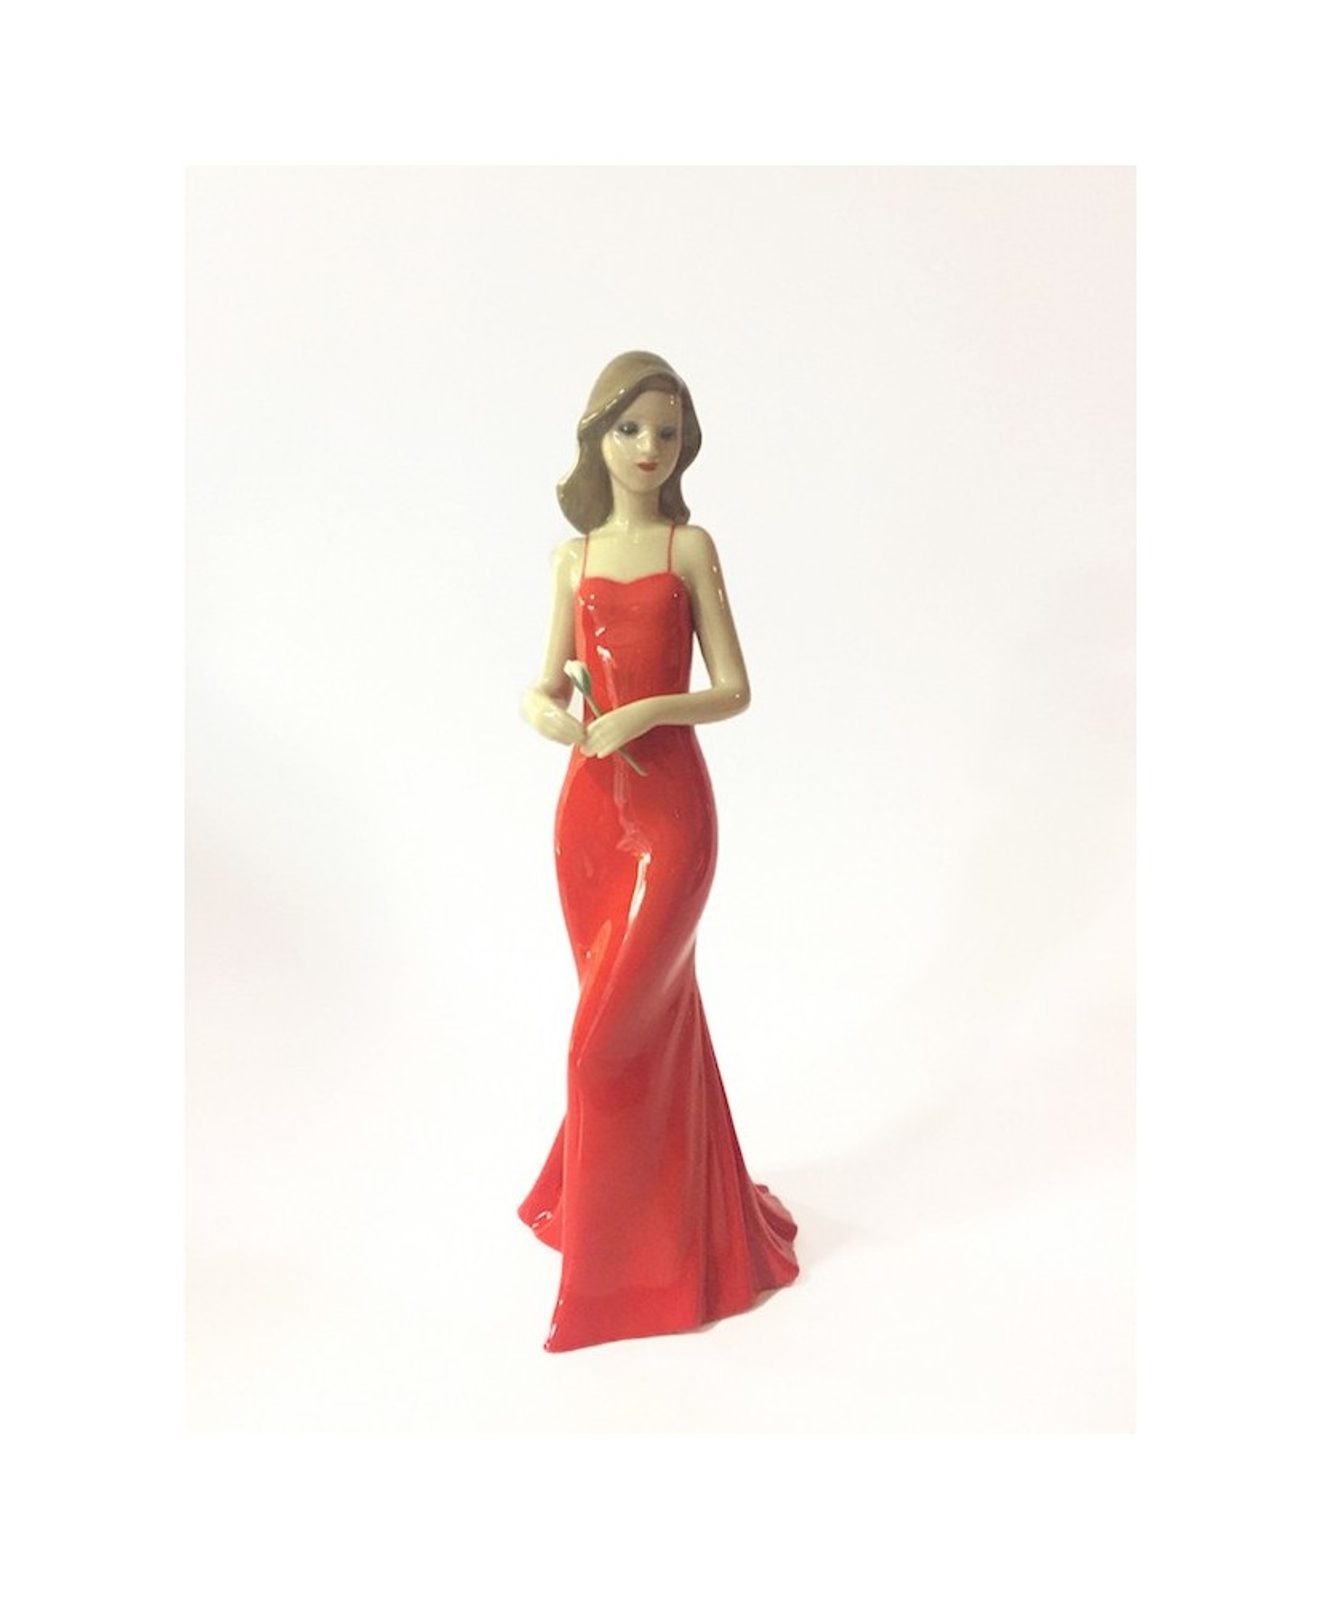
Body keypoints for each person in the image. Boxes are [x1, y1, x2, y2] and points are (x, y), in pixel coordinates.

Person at [518, 350, 800, 1352]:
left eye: (667, 432)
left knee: (600, 1043)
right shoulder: (574, 557)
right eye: (630, 428)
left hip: (671, 817)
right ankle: (661, 1225)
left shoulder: (689, 549)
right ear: (597, 435)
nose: (648, 447)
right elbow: (542, 682)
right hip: (589, 819)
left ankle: (621, 1273)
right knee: (638, 1032)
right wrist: (548, 714)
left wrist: (646, 709)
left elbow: (734, 688)